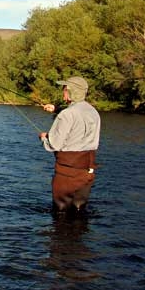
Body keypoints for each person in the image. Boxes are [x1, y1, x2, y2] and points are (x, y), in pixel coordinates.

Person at [39, 76, 101, 213]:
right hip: (87, 171)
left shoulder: (66, 115)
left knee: (61, 211)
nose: (63, 92)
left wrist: (44, 137)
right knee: (79, 210)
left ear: (70, 92)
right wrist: (56, 109)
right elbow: (78, 116)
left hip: (67, 172)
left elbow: (53, 145)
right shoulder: (93, 112)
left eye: (64, 89)